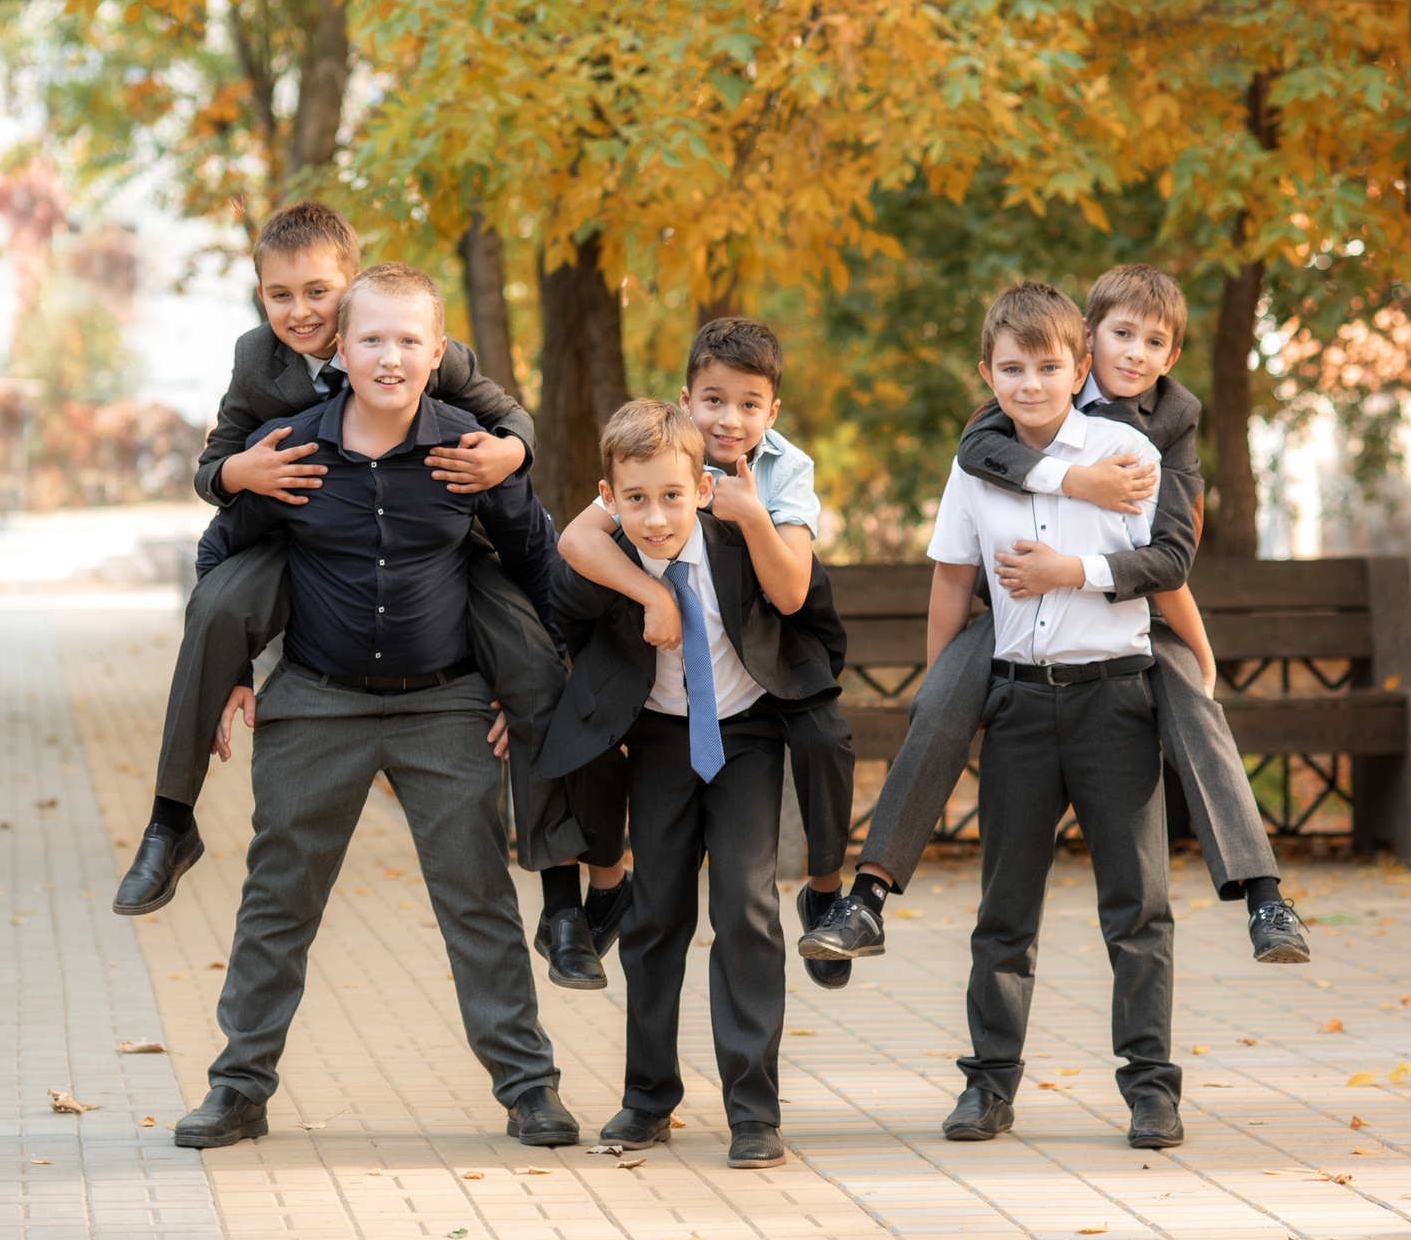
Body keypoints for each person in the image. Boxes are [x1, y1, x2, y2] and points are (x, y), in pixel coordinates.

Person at [171, 263, 583, 1151]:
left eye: (408, 341)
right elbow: (220, 556)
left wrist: (534, 680)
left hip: (447, 708)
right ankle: (239, 1086)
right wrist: (232, 665)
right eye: (371, 340)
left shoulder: (473, 450)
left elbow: (537, 566)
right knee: (278, 898)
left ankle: (528, 1086)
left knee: (476, 898)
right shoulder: (291, 449)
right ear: (341, 353)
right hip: (319, 702)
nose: (389, 357)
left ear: (436, 354)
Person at [803, 264, 1309, 966]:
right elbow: (977, 450)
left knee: (1192, 694)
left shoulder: (1171, 419)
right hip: (1013, 615)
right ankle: (870, 893)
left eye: (1152, 341)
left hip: (1124, 612)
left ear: (1171, 356)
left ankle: (1264, 895)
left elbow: (1172, 558)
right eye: (1120, 334)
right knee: (940, 695)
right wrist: (1076, 478)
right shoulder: (1032, 383)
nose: (1134, 353)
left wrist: (1197, 643)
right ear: (1089, 341)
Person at [115, 202, 579, 918]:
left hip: (438, 541)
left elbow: (512, 417)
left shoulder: (415, 343)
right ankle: (170, 820)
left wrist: (510, 453)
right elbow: (211, 471)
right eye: (280, 294)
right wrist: (245, 474)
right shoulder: (257, 361)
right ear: (261, 295)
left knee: (526, 642)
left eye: (318, 291)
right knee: (216, 602)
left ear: (353, 284)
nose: (300, 311)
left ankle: (561, 890)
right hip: (302, 532)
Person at [830, 282, 1184, 1148]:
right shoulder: (975, 462)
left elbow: (1160, 562)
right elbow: (952, 581)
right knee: (1004, 906)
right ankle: (988, 1084)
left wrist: (1077, 574)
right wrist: (946, 693)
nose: (1030, 383)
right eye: (1013, 368)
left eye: (1049, 366)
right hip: (1020, 702)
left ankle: (1151, 1088)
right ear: (986, 373)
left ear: (1079, 368)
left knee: (1137, 904)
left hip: (1115, 697)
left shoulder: (1126, 450)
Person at [538, 399, 848, 1169]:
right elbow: (554, 614)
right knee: (655, 915)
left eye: (672, 496)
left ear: (701, 489)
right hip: (655, 742)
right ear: (609, 499)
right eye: (635, 500)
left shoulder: (740, 542)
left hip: (743, 735)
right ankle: (648, 1096)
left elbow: (806, 606)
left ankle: (753, 1108)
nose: (654, 518)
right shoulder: (605, 565)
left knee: (745, 907)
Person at [551, 319, 857, 991]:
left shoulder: (785, 467)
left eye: (750, 405)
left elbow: (791, 592)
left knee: (825, 735)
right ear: (686, 401)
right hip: (664, 678)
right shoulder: (661, 454)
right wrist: (649, 596)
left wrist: (749, 513)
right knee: (583, 725)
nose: (730, 419)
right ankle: (599, 890)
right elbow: (578, 539)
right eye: (714, 399)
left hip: (766, 655)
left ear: (772, 413)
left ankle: (828, 890)